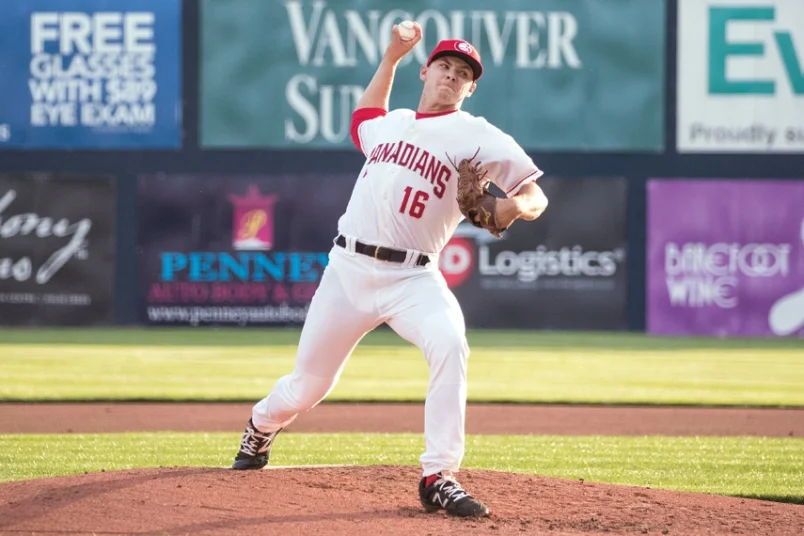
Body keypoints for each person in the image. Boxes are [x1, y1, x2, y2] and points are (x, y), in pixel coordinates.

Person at [231, 22, 549, 518]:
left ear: (471, 87)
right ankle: (260, 426)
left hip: (414, 279)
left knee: (449, 343)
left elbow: (535, 192)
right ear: (426, 71)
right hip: (348, 270)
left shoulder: (478, 135)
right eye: (443, 65)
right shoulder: (391, 123)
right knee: (308, 387)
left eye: (462, 73)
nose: (450, 76)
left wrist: (515, 208)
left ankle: (438, 474)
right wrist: (390, 58)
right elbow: (362, 118)